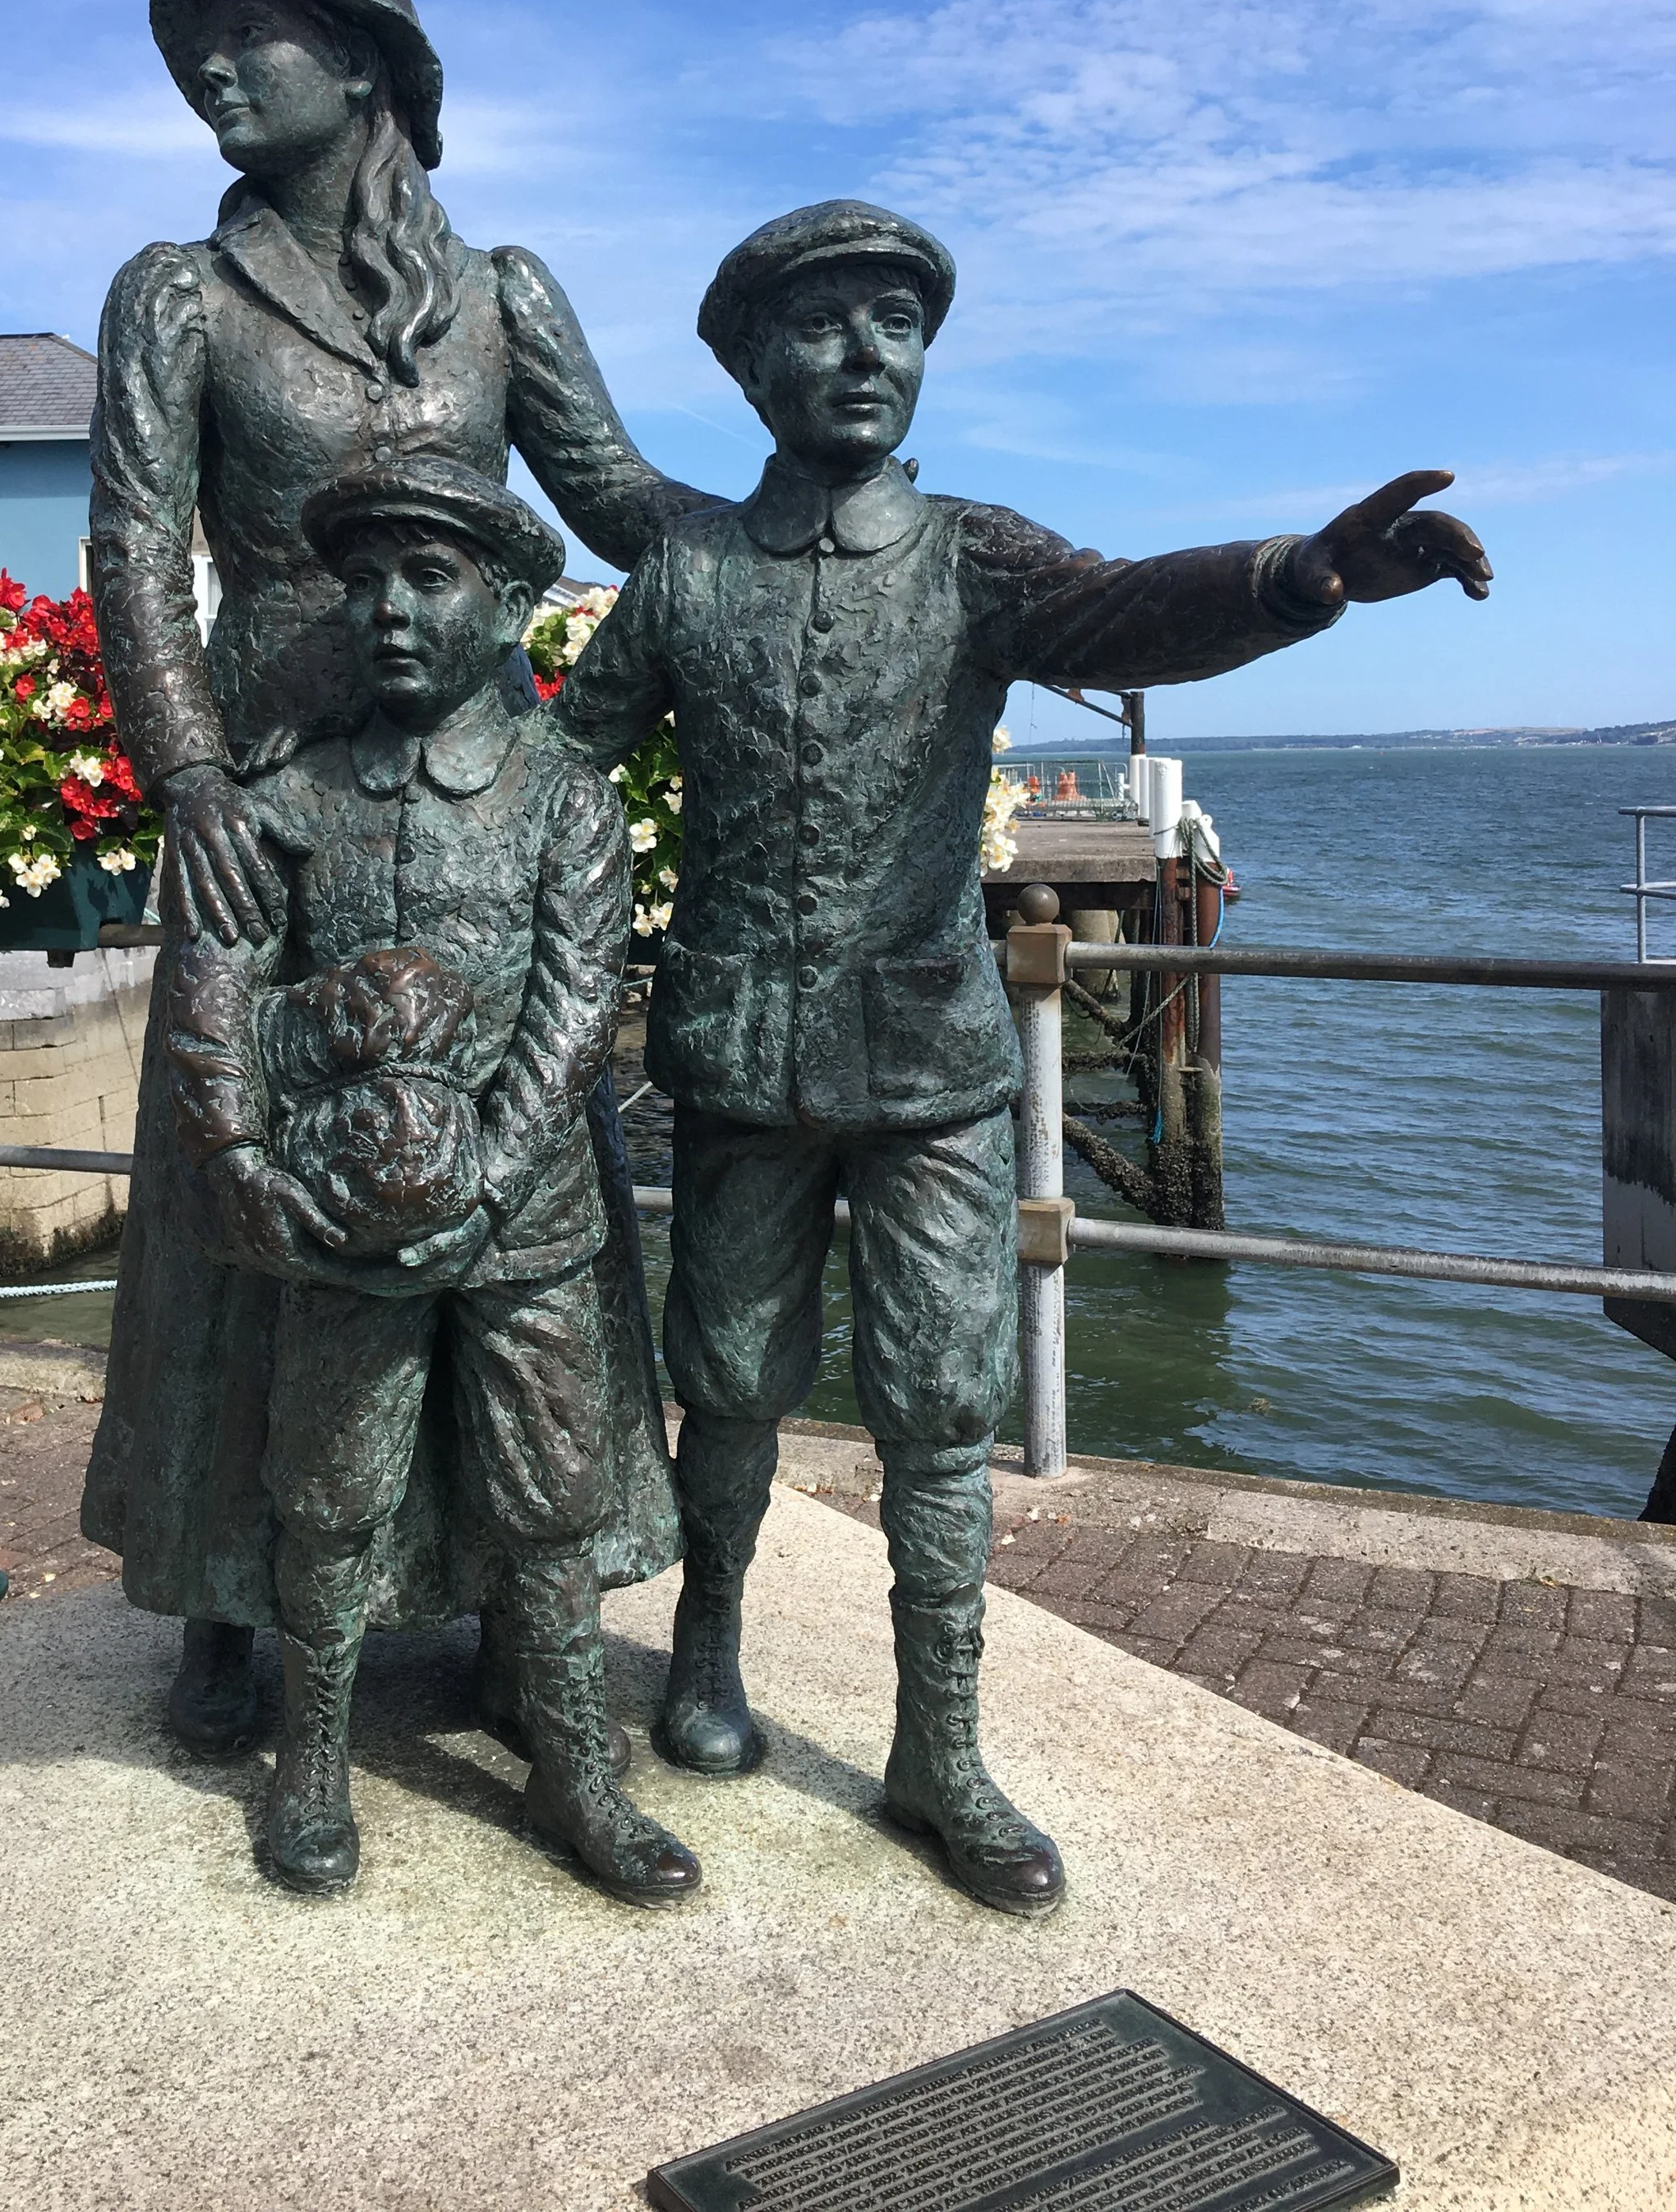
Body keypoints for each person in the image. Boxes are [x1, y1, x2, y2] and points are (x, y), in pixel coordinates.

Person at [550, 198, 1491, 1918]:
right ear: (750, 366)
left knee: (940, 1404)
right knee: (729, 1378)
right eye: (822, 325)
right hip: (740, 1054)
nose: (864, 356)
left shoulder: (970, 557)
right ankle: (705, 1647)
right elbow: (564, 772)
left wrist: (1301, 577)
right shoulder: (686, 573)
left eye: (895, 325)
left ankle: (941, 1744)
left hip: (928, 1064)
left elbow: (1121, 612)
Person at [79, 0, 716, 1753]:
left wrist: (802, 533)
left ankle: (519, 1594)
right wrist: (192, 777)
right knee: (235, 1184)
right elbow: (135, 546)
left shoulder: (503, 295)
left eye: (251, 34)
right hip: (270, 798)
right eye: (197, 48)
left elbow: (622, 505)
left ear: (362, 62)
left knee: (509, 1171)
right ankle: (220, 1586)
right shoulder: (176, 297)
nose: (212, 70)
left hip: (472, 796)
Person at [165, 459, 700, 1904]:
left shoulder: (565, 803)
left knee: (551, 1492)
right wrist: (246, 1165)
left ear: (512, 608)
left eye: (428, 578)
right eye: (363, 581)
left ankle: (574, 1768)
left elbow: (577, 1011)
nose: (387, 609)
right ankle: (313, 1760)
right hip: (336, 1227)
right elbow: (216, 995)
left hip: (526, 1228)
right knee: (329, 1488)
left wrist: (490, 1179)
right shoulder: (288, 798)